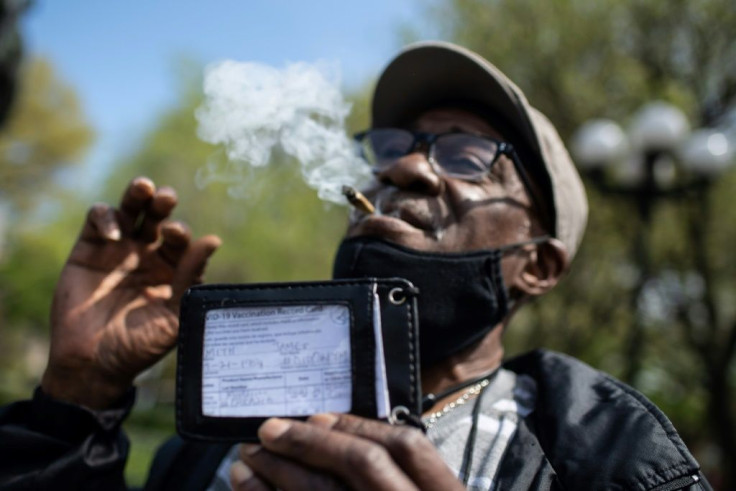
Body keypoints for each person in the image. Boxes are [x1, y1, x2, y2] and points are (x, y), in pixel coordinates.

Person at [0, 41, 711, 491]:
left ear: (540, 265)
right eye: (392, 147)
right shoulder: (213, 434)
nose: (400, 166)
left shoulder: (606, 460)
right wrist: (77, 399)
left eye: (466, 157)